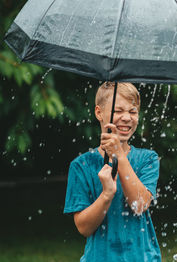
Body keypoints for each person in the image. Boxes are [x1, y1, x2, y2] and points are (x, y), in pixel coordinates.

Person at [63, 82, 161, 262]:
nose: (126, 118)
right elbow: (84, 228)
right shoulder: (82, 165)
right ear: (99, 113)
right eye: (118, 111)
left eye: (133, 112)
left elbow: (139, 205)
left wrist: (119, 155)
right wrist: (107, 194)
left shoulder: (148, 159)